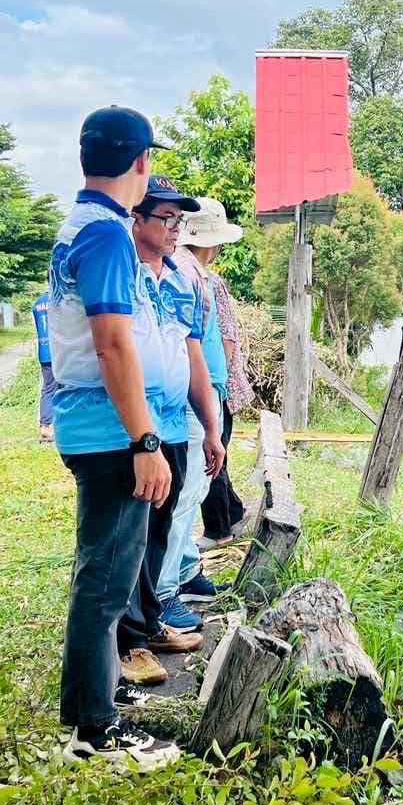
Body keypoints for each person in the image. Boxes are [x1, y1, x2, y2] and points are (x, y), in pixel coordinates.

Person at [47, 104, 189, 771]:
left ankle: (93, 696)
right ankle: (93, 733)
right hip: (109, 433)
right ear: (140, 162)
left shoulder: (81, 224)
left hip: (94, 426)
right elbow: (111, 344)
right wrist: (144, 442)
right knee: (105, 584)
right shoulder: (105, 233)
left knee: (101, 575)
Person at [117, 177, 225, 678]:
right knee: (130, 537)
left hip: (176, 428)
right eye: (166, 219)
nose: (175, 229)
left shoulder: (182, 283)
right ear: (136, 220)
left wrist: (209, 427)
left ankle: (150, 621)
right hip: (136, 430)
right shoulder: (122, 277)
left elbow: (194, 357)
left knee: (159, 531)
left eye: (180, 221)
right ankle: (128, 641)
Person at [159, 197, 243, 630]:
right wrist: (213, 410)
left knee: (190, 492)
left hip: (198, 394)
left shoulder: (183, 271)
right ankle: (164, 590)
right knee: (186, 494)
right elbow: (202, 348)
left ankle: (186, 570)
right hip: (196, 397)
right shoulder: (190, 277)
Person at [197, 245, 251, 548]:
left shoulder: (210, 282)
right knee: (219, 456)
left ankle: (218, 531)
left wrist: (213, 388)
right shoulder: (199, 277)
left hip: (218, 388)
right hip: (213, 386)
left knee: (211, 458)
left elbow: (227, 339)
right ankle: (233, 512)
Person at [32, 291, 55, 443]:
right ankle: (58, 425)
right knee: (64, 388)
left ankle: (45, 426)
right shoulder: (59, 300)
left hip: (43, 351)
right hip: (59, 351)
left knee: (48, 388)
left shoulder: (37, 303)